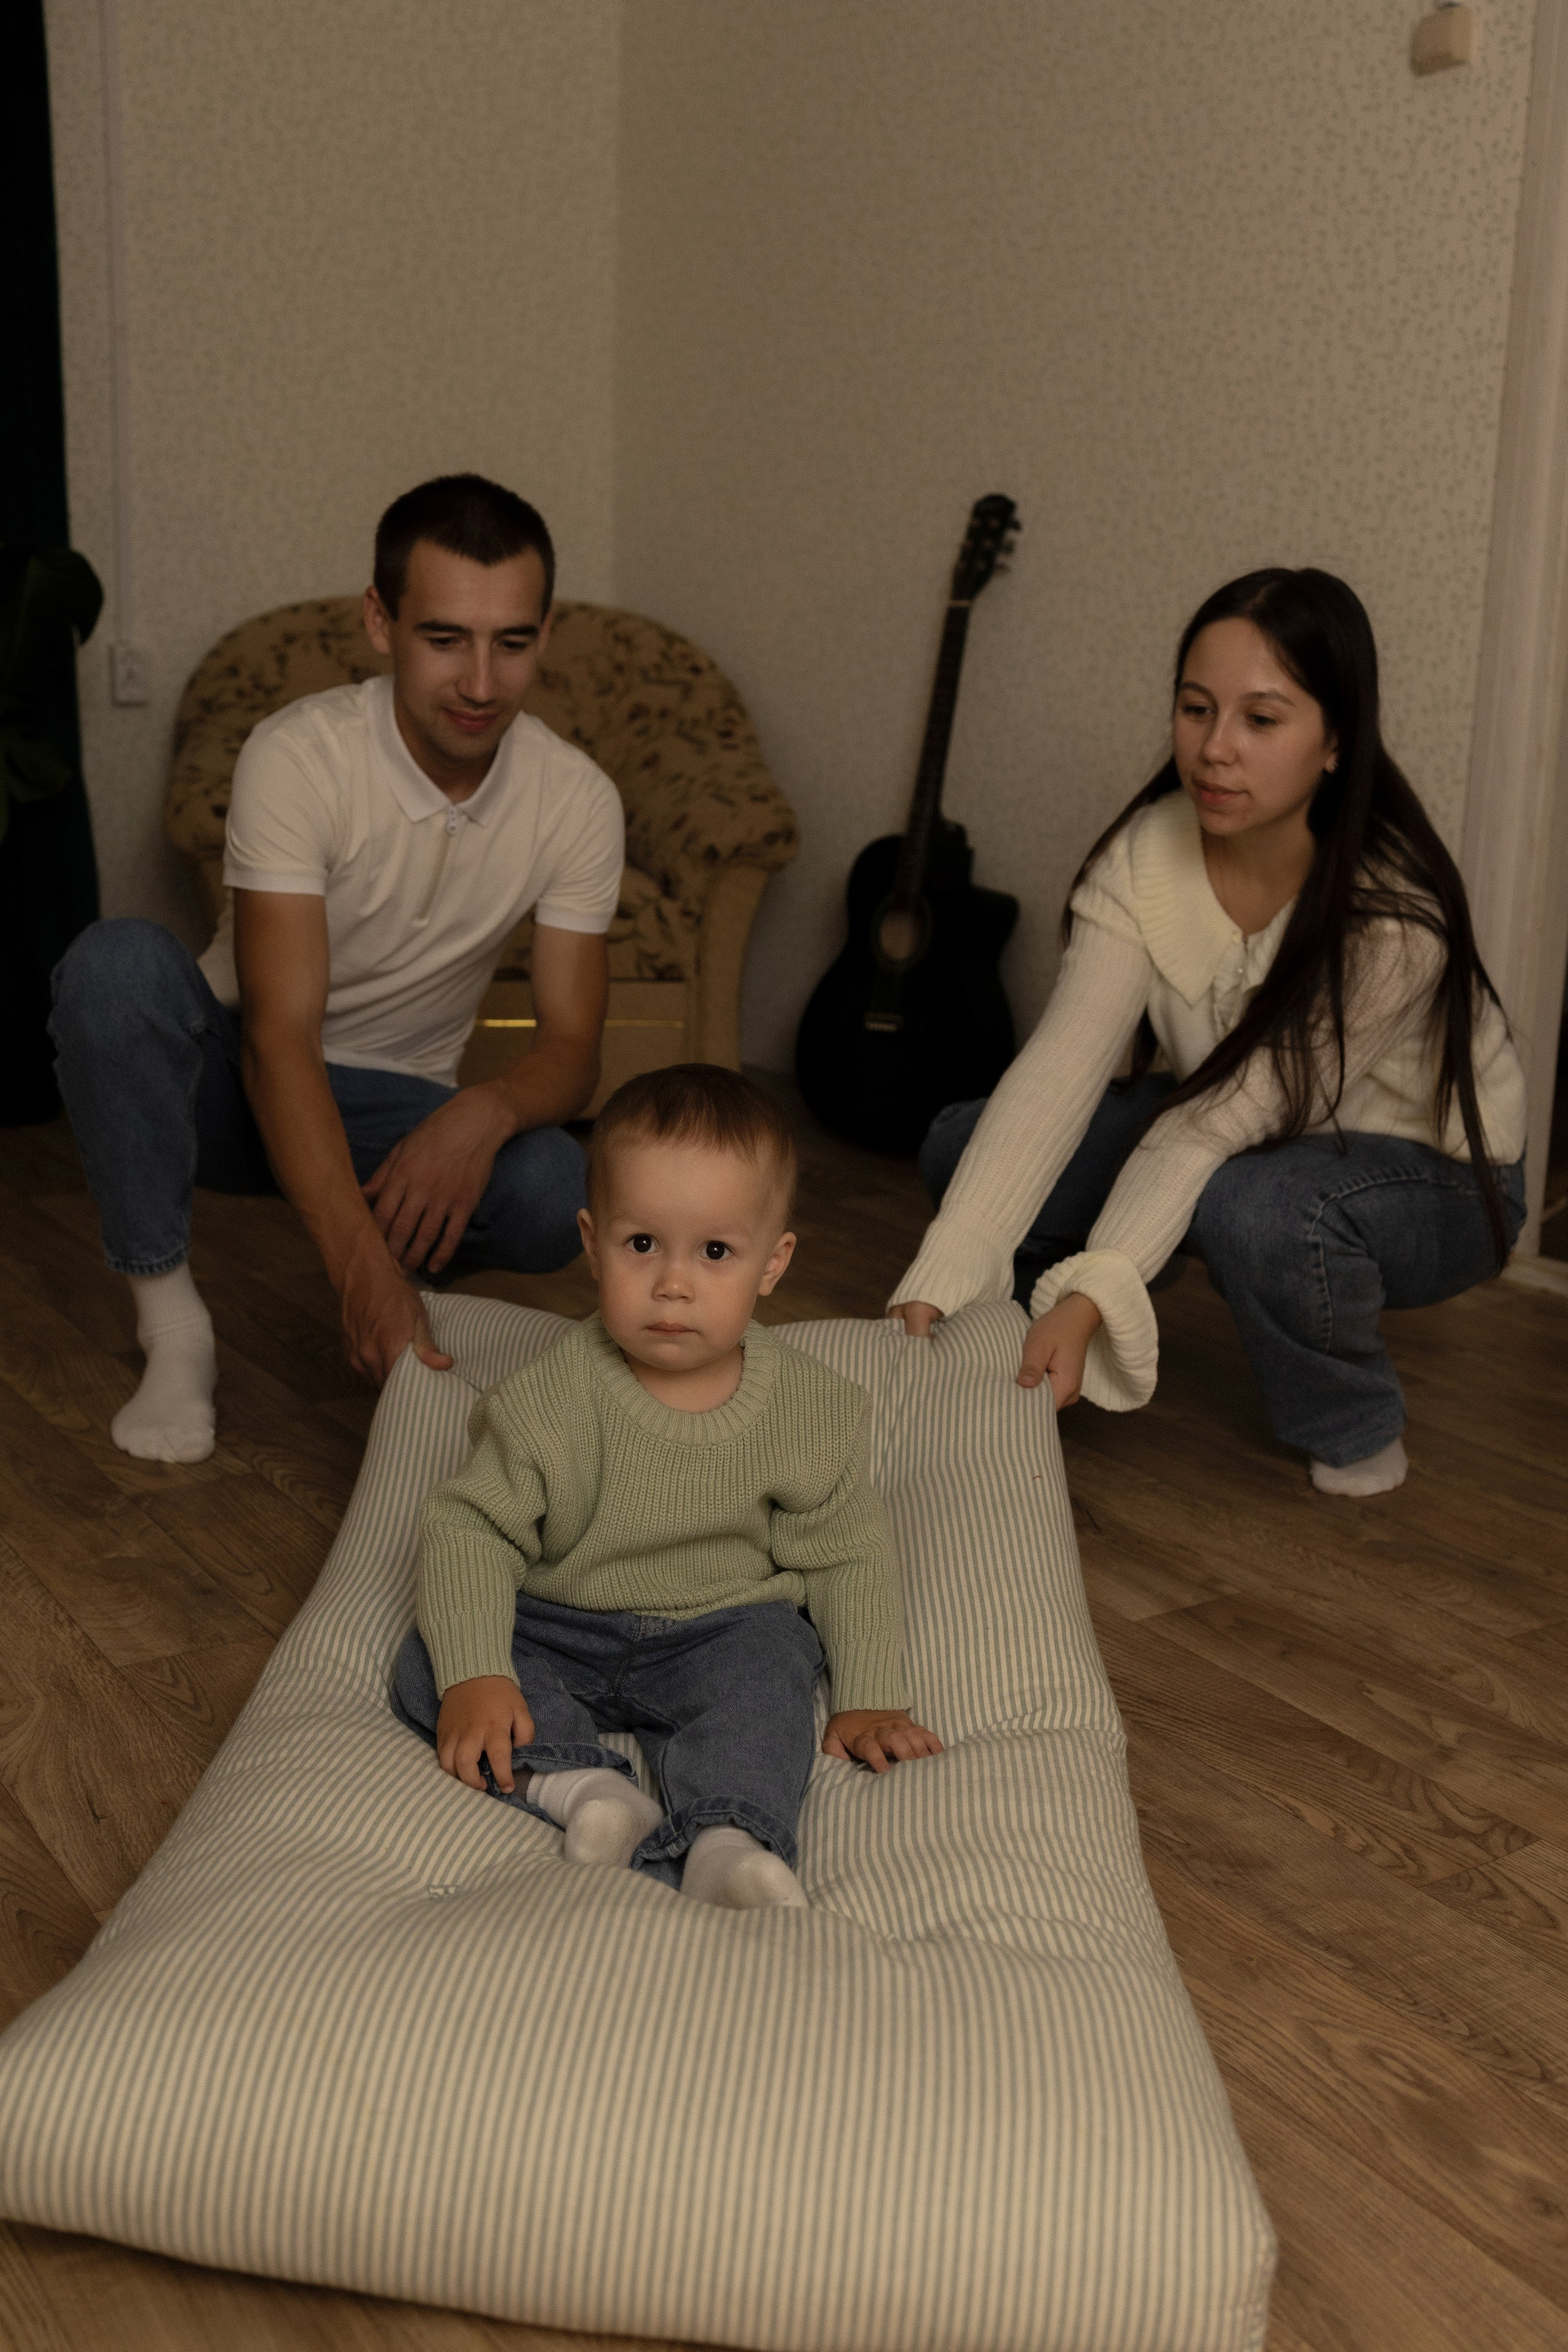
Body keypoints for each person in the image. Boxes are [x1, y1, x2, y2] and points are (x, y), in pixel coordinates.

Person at [889, 568, 1527, 1498]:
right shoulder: (1144, 853)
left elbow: (1221, 1119)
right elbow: (1061, 1068)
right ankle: (1033, 1345)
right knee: (965, 1144)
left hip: (1434, 1179)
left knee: (1248, 1204)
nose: (1215, 748)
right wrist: (943, 1268)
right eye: (1196, 709)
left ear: (1337, 741)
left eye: (1261, 719)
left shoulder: (1393, 916)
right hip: (1227, 1125)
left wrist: (1091, 1293)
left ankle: (1351, 1423)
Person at [51, 474, 623, 1466]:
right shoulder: (299, 756)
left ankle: (419, 1279)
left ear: (546, 632)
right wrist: (357, 1273)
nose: (480, 683)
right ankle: (174, 1327)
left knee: (554, 1184)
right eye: (444, 639)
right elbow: (281, 1038)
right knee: (114, 967)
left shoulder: (578, 799)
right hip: (234, 1080)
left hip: (399, 1107)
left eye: (512, 642)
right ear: (380, 622)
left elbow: (573, 1048)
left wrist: (480, 1114)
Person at [392, 1063, 942, 1909]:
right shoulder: (546, 1400)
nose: (673, 1283)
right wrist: (476, 1672)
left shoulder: (812, 1409)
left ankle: (727, 1838)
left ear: (772, 1263)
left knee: (771, 1675)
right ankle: (585, 1789)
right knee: (431, 1659)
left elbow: (847, 1553)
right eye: (642, 1244)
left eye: (715, 1252)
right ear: (592, 1242)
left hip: (720, 1629)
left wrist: (869, 1698)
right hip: (561, 1620)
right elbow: (471, 1530)